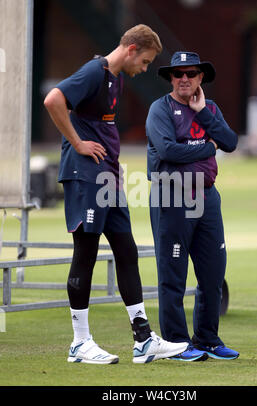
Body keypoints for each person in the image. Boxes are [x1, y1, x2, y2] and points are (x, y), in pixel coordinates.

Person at [44, 25, 189, 365]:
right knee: (86, 253)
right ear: (132, 49)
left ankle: (143, 340)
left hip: (108, 179)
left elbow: (101, 126)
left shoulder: (116, 79)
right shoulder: (95, 71)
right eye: (146, 61)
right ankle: (80, 344)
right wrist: (78, 143)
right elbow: (54, 99)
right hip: (85, 177)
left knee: (127, 250)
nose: (146, 68)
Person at [146, 51, 239, 361]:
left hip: (207, 196)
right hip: (171, 196)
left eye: (190, 73)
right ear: (171, 79)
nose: (183, 78)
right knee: (172, 274)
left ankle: (208, 339)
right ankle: (175, 343)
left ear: (201, 78)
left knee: (213, 272)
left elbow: (230, 141)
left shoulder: (209, 108)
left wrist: (203, 116)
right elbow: (168, 150)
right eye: (177, 74)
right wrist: (207, 146)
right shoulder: (160, 109)